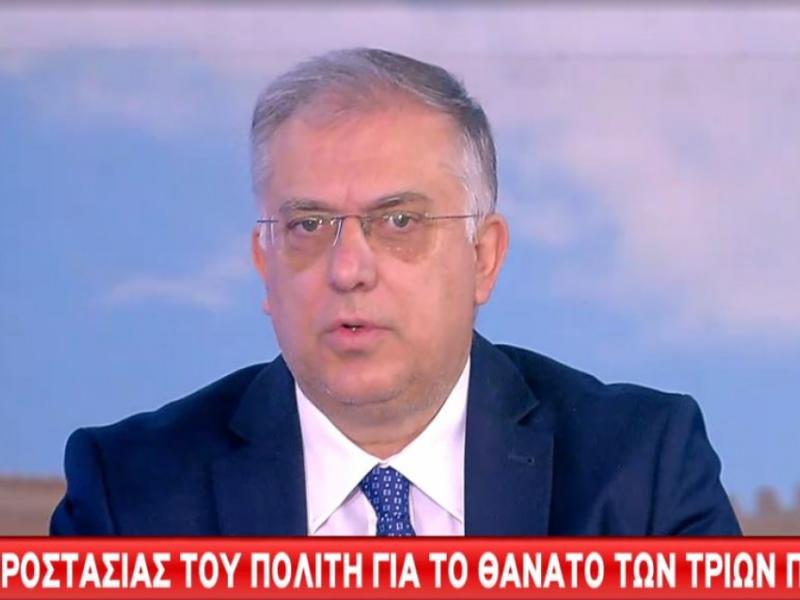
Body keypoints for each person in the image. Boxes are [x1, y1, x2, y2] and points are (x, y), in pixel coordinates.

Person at [50, 48, 741, 536]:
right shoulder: (129, 495)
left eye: (400, 222)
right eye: (309, 225)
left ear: (484, 258)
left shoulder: (641, 473)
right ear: (265, 264)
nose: (349, 268)